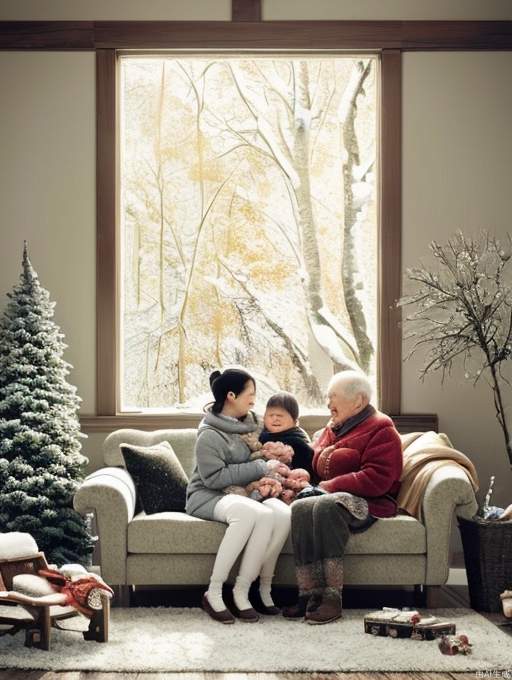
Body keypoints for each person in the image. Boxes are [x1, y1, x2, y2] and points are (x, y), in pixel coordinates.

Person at [283, 370, 402, 625]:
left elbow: (379, 477)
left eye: (333, 397)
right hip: (330, 494)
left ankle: (332, 597)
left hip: (370, 500)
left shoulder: (382, 429)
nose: (328, 403)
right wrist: (301, 475)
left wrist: (330, 486)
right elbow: (316, 464)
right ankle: (308, 594)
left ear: (358, 401)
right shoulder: (333, 427)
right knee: (301, 507)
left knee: (325, 505)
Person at [185, 368, 291, 624]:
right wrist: (262, 467)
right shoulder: (209, 434)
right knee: (249, 513)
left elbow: (257, 457)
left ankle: (252, 590)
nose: (254, 399)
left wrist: (273, 461)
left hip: (243, 490)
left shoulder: (249, 427)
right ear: (231, 396)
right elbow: (214, 479)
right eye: (250, 393)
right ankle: (214, 591)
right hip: (207, 494)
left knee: (280, 514)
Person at [260, 391, 315, 477]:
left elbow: (308, 470)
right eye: (271, 415)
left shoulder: (298, 442)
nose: (275, 419)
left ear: (295, 422)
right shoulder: (261, 435)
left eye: (280, 415)